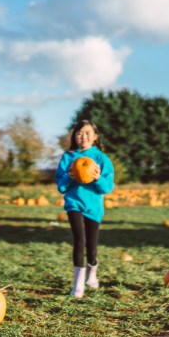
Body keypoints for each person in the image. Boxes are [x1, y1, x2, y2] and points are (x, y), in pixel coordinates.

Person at [55, 120, 115, 298]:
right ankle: (78, 285)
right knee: (79, 241)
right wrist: (69, 177)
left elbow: (107, 188)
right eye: (79, 133)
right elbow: (61, 186)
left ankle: (92, 274)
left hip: (94, 208)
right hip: (74, 205)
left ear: (95, 137)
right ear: (74, 136)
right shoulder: (68, 157)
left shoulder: (101, 159)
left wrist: (98, 178)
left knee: (92, 247)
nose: (83, 136)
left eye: (88, 133)